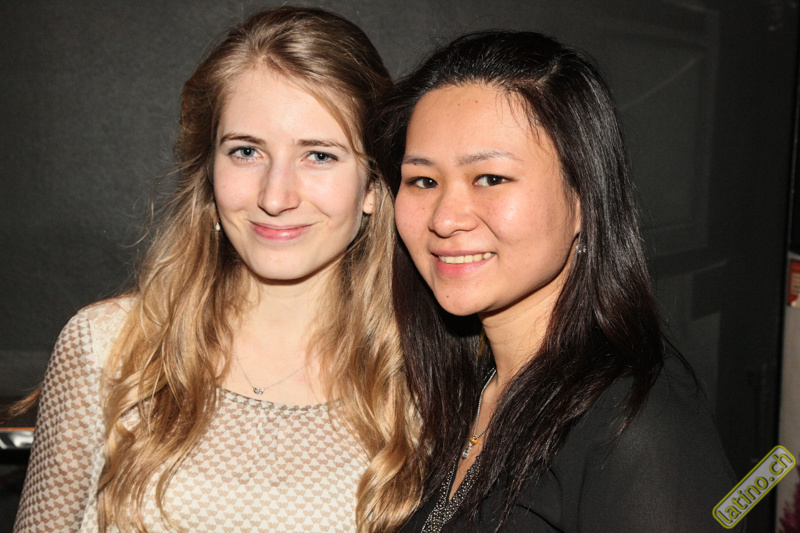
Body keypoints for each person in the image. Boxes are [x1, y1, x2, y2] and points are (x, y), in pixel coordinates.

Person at [14, 7, 422, 532]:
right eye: (246, 151)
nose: (275, 196)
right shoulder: (107, 348)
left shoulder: (422, 377)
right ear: (209, 171)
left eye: (319, 156)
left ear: (372, 185)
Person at [371, 31, 740, 532]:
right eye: (424, 181)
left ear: (583, 197)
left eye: (491, 178)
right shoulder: (466, 389)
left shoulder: (636, 423)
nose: (445, 218)